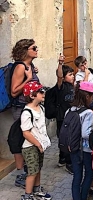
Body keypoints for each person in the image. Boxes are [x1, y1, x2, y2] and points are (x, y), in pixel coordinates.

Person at [11, 39, 40, 188]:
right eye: (34, 48)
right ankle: (23, 175)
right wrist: (28, 79)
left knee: (30, 141)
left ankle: (30, 172)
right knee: (24, 142)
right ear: (25, 51)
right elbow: (14, 91)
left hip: (31, 108)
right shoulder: (20, 67)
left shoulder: (30, 65)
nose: (36, 49)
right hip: (21, 109)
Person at [69, 81, 93, 200]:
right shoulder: (88, 113)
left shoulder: (70, 110)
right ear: (87, 96)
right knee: (88, 174)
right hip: (85, 149)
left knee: (76, 176)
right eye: (92, 96)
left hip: (73, 148)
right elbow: (86, 133)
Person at [20, 81, 51, 200]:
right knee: (32, 172)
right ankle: (27, 197)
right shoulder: (27, 113)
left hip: (39, 145)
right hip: (30, 146)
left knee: (38, 168)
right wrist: (37, 144)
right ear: (32, 95)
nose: (43, 93)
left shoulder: (41, 108)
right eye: (40, 92)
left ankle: (37, 189)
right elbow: (26, 133)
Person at [54, 54, 75, 174]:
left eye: (73, 74)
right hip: (62, 117)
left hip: (70, 116)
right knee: (65, 139)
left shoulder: (72, 86)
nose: (72, 76)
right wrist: (61, 64)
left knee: (66, 138)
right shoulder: (61, 86)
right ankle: (68, 163)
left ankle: (62, 158)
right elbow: (59, 76)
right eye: (70, 75)